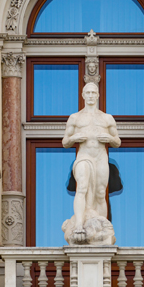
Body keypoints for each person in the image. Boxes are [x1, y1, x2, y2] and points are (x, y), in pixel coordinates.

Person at [61, 82, 121, 245]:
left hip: (101, 157)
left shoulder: (106, 118)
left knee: (101, 193)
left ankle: (102, 229)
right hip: (84, 156)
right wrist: (74, 139)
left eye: (94, 93)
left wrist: (109, 139)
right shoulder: (75, 117)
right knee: (82, 187)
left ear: (98, 95)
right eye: (88, 93)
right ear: (82, 95)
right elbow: (65, 141)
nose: (91, 96)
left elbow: (117, 141)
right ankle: (79, 225)